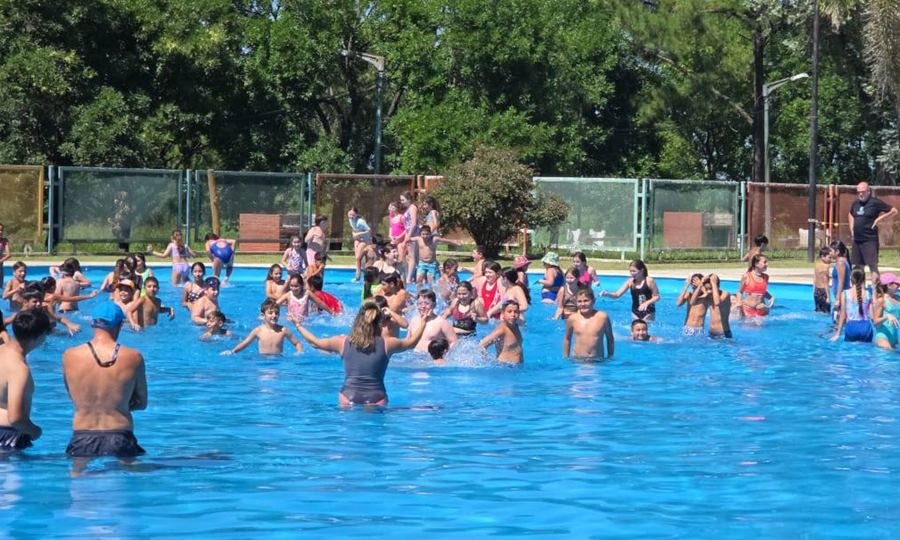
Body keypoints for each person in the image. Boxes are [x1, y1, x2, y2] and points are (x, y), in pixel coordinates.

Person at [292, 300, 427, 407]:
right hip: (377, 398)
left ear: (357, 321)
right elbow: (411, 343)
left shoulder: (342, 342)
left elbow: (314, 342)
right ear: (379, 323)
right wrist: (423, 322)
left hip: (347, 396)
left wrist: (298, 325)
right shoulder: (387, 344)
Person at [62, 302, 147, 459]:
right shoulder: (133, 357)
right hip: (120, 434)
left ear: (92, 323)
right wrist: (119, 405)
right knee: (127, 472)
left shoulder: (70, 356)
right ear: (120, 325)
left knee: (77, 472)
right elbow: (142, 403)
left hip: (82, 434)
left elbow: (73, 396)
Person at [0, 309, 51, 452]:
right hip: (6, 436)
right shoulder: (19, 369)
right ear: (39, 336)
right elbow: (16, 418)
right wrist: (35, 431)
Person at [849, 181, 897, 283]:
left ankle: (876, 290)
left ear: (868, 191)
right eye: (858, 192)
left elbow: (894, 211)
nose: (860, 194)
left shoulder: (875, 202)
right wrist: (852, 229)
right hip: (857, 240)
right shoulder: (855, 203)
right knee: (857, 267)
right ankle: (859, 290)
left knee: (872, 266)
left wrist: (879, 219)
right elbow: (851, 214)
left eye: (863, 192)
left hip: (869, 239)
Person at [229, 299, 303, 355]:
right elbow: (244, 344)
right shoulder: (258, 331)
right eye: (270, 313)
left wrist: (299, 352)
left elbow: (297, 343)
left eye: (276, 313)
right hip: (263, 360)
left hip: (279, 361)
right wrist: (232, 351)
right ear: (262, 315)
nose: (274, 315)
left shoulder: (283, 330)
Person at [563, 288, 614, 360]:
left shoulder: (602, 317)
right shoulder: (572, 319)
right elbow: (567, 339)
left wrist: (610, 357)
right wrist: (566, 358)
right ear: (575, 302)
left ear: (593, 301)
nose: (583, 304)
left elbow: (610, 339)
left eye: (586, 300)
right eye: (579, 301)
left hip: (597, 360)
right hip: (578, 360)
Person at [832, 267, 873, 343]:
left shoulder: (845, 294)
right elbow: (872, 316)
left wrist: (838, 333)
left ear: (851, 279)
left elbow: (843, 315)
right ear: (864, 279)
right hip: (866, 328)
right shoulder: (868, 294)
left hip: (851, 328)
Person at [479, 300, 524, 364]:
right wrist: (487, 361)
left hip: (517, 367)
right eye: (509, 311)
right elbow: (482, 345)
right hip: (505, 366)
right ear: (503, 313)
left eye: (516, 312)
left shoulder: (516, 326)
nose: (513, 314)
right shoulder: (502, 330)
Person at [871, 273, 900, 350]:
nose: (898, 285)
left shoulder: (898, 299)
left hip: (894, 337)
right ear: (889, 285)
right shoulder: (881, 301)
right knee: (888, 354)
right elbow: (875, 322)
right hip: (883, 337)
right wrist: (887, 317)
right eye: (896, 283)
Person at [399, 191, 420, 284]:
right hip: (409, 233)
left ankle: (409, 278)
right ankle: (414, 276)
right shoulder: (408, 208)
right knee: (411, 256)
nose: (401, 202)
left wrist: (409, 236)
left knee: (412, 256)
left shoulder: (412, 208)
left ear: (409, 199)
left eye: (403, 200)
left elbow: (414, 223)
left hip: (413, 234)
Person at [348, 208, 373, 281]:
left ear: (356, 214)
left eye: (353, 215)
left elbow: (369, 230)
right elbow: (353, 228)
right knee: (357, 258)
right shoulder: (350, 220)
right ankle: (358, 276)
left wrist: (358, 233)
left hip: (365, 240)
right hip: (357, 239)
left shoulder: (361, 222)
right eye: (349, 214)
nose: (351, 216)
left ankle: (361, 276)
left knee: (358, 257)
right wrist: (354, 233)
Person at [830, 240, 851, 321]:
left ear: (837, 251)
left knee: (838, 322)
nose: (829, 253)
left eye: (831, 251)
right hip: (842, 297)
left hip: (842, 297)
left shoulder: (840, 262)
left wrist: (838, 299)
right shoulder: (843, 261)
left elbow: (841, 282)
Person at [707, 274, 732, 339]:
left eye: (710, 288)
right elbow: (692, 302)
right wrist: (701, 283)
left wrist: (714, 284)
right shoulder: (709, 296)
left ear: (718, 286)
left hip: (723, 333)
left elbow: (717, 302)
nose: (708, 291)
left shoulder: (725, 294)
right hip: (711, 333)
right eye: (707, 289)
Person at [813, 246, 833, 314]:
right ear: (822, 257)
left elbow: (815, 278)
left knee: (818, 312)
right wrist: (828, 297)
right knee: (827, 313)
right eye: (829, 257)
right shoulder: (826, 267)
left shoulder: (817, 265)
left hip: (816, 291)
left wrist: (814, 291)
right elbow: (825, 283)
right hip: (823, 292)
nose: (831, 259)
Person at [0, 223, 10, 288]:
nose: (0, 232)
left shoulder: (5, 241)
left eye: (1, 230)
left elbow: (8, 254)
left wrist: (0, 261)